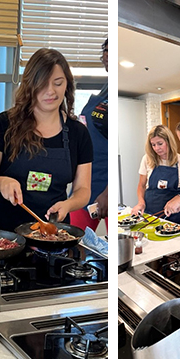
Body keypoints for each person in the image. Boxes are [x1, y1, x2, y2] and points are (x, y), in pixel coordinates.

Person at [0, 48, 93, 232]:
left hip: (52, 234)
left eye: (58, 83)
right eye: (42, 84)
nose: (50, 91)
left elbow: (83, 189)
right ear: (30, 85)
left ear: (67, 85)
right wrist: (2, 183)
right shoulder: (4, 124)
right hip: (4, 233)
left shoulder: (78, 133)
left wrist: (68, 204)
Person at [69, 38, 108, 231]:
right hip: (83, 182)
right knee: (74, 243)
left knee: (117, 249)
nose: (107, 56)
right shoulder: (105, 88)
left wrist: (108, 192)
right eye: (105, 50)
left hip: (105, 185)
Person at [131, 125, 180, 226]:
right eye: (153, 145)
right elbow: (141, 185)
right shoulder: (147, 159)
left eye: (160, 144)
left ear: (169, 142)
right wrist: (141, 202)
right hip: (152, 214)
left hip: (177, 215)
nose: (156, 148)